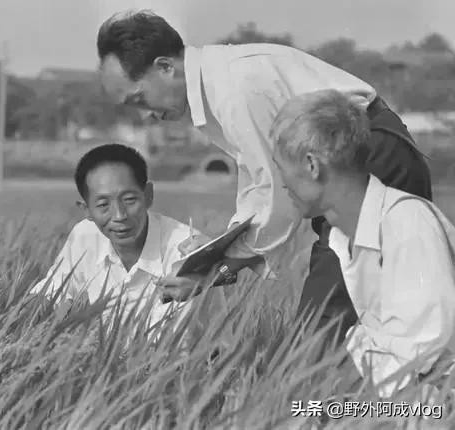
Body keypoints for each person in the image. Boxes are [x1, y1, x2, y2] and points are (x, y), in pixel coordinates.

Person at [96, 10, 432, 344]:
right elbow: (261, 186)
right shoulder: (217, 84)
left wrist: (217, 265)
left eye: (140, 99)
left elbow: (278, 197)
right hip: (352, 163)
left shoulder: (235, 90)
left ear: (165, 67)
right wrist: (217, 254)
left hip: (369, 160)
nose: (146, 116)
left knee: (322, 332)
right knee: (368, 317)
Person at [271, 89, 455, 397]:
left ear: (312, 165)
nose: (281, 184)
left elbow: (420, 364)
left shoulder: (406, 226)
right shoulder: (344, 237)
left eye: (280, 168)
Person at [34, 143, 218, 332]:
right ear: (86, 209)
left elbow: (178, 341)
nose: (120, 215)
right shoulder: (85, 236)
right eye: (103, 205)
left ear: (148, 195)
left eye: (129, 200)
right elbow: (52, 295)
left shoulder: (188, 247)